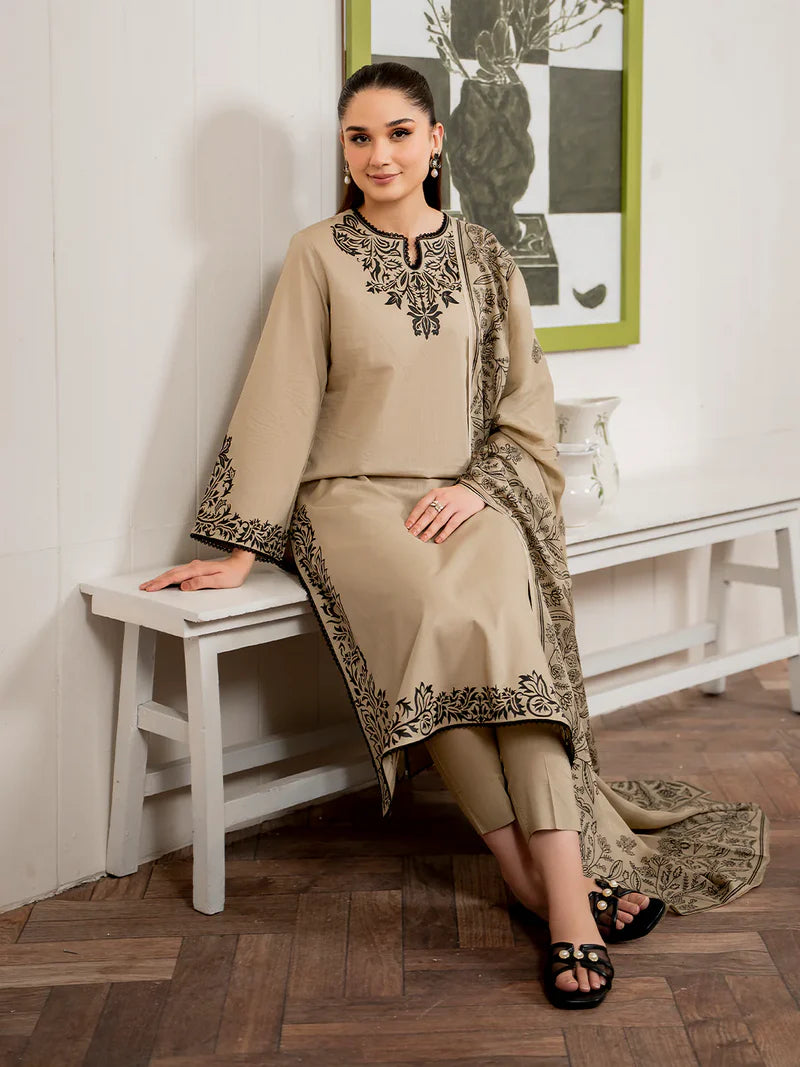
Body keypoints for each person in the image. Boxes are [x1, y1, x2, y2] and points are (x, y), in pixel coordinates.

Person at [140, 61, 769, 1009]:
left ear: (436, 141)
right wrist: (239, 545)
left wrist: (480, 489)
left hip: (471, 496)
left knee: (498, 626)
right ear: (343, 153)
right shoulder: (317, 254)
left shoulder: (488, 258)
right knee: (441, 612)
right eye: (359, 137)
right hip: (348, 502)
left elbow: (528, 406)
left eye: (398, 132)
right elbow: (280, 400)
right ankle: (550, 892)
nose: (379, 154)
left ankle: (548, 891)